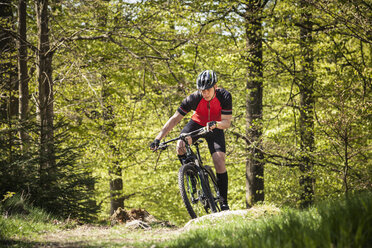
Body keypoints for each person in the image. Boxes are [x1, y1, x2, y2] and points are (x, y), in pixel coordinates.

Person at [150, 70, 232, 210]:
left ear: (215, 86)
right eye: (202, 90)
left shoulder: (224, 96)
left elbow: (227, 122)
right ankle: (191, 174)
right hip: (197, 123)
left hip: (215, 126)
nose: (205, 93)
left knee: (219, 161)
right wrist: (158, 138)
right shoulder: (193, 98)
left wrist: (216, 124)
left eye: (207, 90)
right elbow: (175, 118)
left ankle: (224, 202)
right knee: (180, 145)